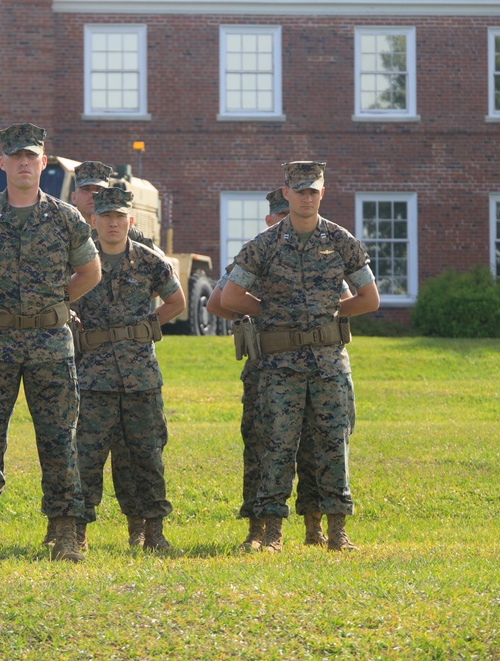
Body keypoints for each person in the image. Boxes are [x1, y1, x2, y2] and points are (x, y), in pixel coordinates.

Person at [0, 123, 101, 562]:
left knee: (58, 440)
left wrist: (54, 302)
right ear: (3, 164)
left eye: (32, 156)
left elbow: (90, 273)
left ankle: (65, 531)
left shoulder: (66, 218)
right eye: (17, 157)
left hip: (51, 345)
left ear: (43, 163)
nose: (25, 163)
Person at [220, 161, 380, 552]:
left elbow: (369, 299)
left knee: (331, 444)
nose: (306, 197)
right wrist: (277, 312)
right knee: (276, 446)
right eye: (299, 191)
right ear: (286, 193)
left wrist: (326, 314)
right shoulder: (264, 245)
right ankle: (271, 532)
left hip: (328, 364)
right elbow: (228, 297)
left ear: (322, 193)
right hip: (280, 366)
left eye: (313, 191)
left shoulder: (341, 241)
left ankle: (335, 531)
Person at [73, 186, 186, 553]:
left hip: (140, 378)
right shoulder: (77, 261)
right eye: (105, 216)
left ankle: (151, 531)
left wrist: (148, 327)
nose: (112, 223)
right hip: (92, 377)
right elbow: (58, 298)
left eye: (119, 217)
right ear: (94, 219)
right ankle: (78, 533)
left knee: (146, 456)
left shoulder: (150, 261)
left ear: (130, 220)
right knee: (87, 457)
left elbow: (176, 301)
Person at [71, 161, 155, 249]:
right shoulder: (64, 228)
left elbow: (155, 256)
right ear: (73, 197)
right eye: (86, 189)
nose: (93, 195)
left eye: (99, 189)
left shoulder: (126, 232)